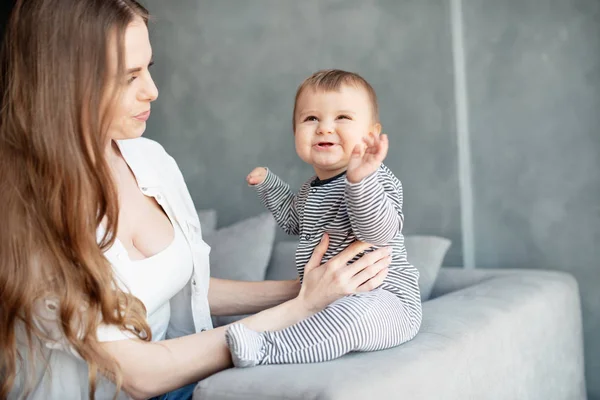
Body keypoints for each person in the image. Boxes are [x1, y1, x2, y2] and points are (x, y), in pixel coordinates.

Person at [0, 2, 392, 399]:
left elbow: (190, 285)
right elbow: (140, 376)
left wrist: (306, 289)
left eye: (148, 69)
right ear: (65, 82)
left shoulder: (150, 159)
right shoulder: (27, 207)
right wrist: (299, 309)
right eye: (128, 76)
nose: (152, 90)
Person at [226, 70, 422, 367]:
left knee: (353, 317)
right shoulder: (310, 190)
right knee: (310, 316)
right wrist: (270, 185)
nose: (324, 128)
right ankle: (269, 336)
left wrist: (359, 182)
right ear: (295, 132)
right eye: (311, 119)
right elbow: (294, 222)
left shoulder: (376, 178)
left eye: (342, 117)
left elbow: (378, 231)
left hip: (385, 298)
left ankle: (266, 349)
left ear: (370, 133)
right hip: (325, 297)